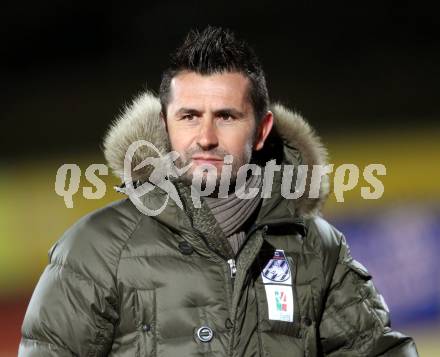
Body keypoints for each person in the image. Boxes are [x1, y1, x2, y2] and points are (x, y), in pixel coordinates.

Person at [19, 26, 418, 356]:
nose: (206, 138)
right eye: (189, 116)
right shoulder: (96, 249)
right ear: (165, 123)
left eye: (226, 116)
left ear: (261, 130)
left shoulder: (317, 248)